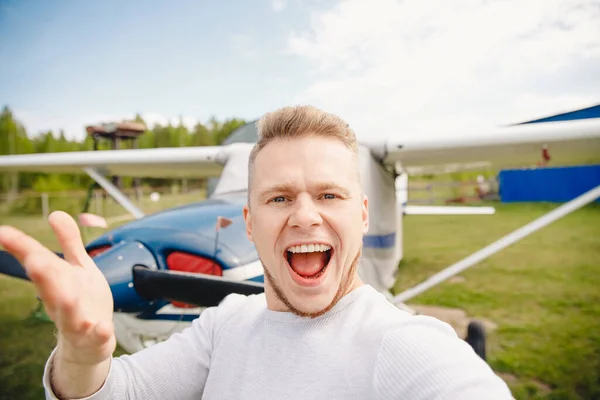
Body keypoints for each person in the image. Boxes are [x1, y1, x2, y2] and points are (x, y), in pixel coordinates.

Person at [0, 105, 514, 399]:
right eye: (279, 197)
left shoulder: (406, 345)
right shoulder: (224, 325)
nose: (306, 215)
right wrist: (83, 356)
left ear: (363, 214)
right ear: (249, 221)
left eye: (329, 194)